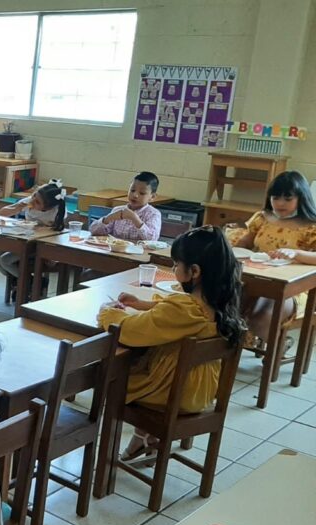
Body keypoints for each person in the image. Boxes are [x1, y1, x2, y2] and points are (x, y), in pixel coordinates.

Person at [99, 226, 245, 460]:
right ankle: (144, 438)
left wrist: (107, 313)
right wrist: (143, 305)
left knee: (113, 376)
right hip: (203, 390)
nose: (174, 269)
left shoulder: (183, 310)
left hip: (173, 392)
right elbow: (173, 315)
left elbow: (130, 331)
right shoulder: (219, 302)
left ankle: (110, 463)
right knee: (143, 363)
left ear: (194, 271)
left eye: (177, 265)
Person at [232, 171, 316, 350]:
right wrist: (232, 247)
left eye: (288, 198)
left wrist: (296, 253)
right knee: (230, 306)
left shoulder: (311, 226)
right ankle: (232, 350)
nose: (280, 203)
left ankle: (278, 346)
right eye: (275, 197)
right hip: (258, 280)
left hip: (295, 288)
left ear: (301, 198)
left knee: (261, 318)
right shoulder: (263, 218)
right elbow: (245, 243)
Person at [0, 182, 67, 288]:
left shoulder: (55, 212)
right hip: (24, 241)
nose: (33, 201)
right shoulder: (28, 202)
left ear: (48, 208)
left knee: (5, 260)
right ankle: (22, 282)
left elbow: (57, 234)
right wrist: (17, 208)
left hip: (38, 246)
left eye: (37, 202)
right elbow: (2, 212)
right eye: (34, 195)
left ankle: (30, 283)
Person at [89, 172, 162, 241]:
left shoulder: (153, 214)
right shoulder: (118, 210)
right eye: (132, 190)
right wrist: (108, 219)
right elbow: (93, 231)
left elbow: (152, 240)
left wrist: (135, 219)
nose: (135, 195)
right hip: (115, 251)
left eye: (142, 193)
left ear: (152, 197)